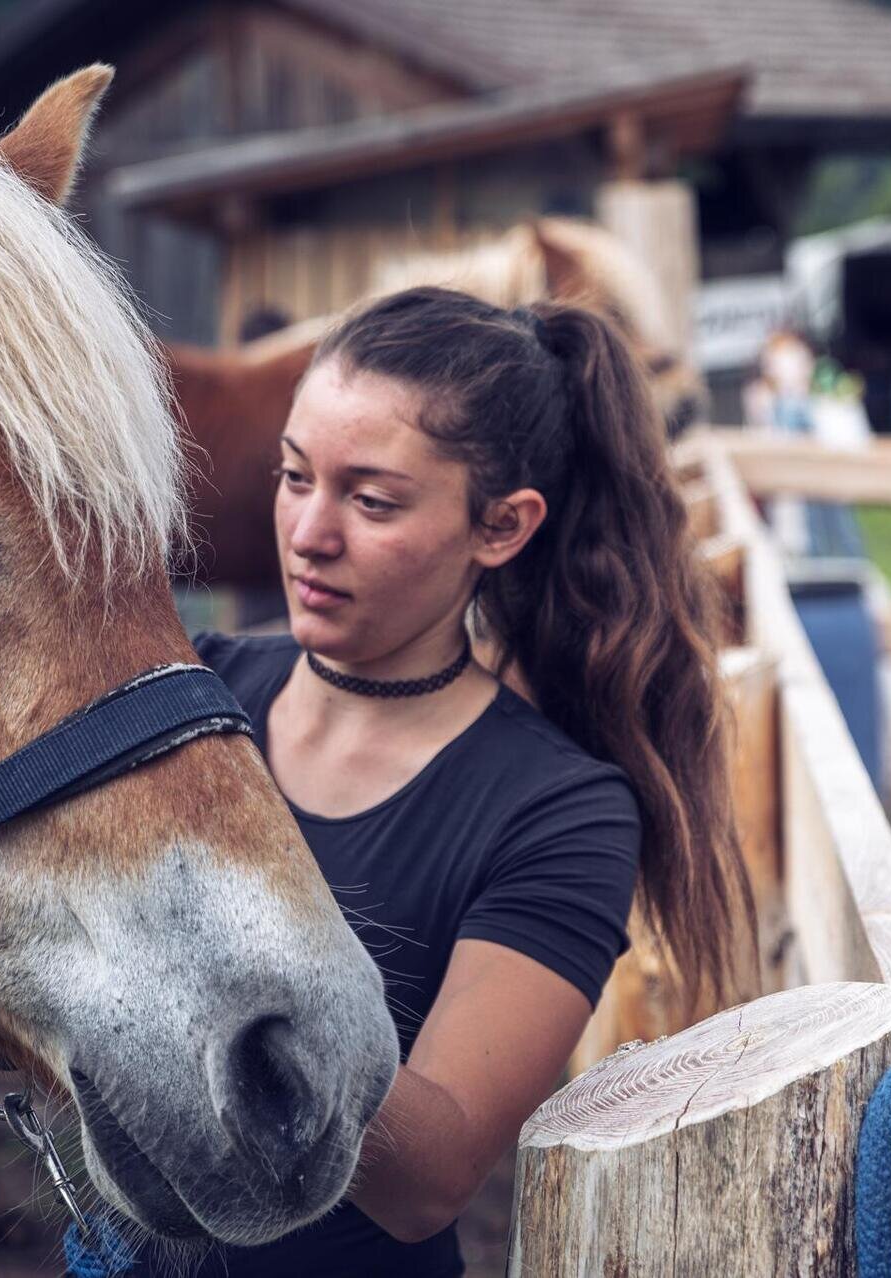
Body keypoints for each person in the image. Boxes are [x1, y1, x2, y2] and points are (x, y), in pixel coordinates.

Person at [180, 286, 751, 1276]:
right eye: (293, 476)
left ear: (501, 528)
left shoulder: (559, 812)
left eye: (371, 499)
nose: (310, 532)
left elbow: (429, 1176)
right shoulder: (192, 694)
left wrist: (198, 937)